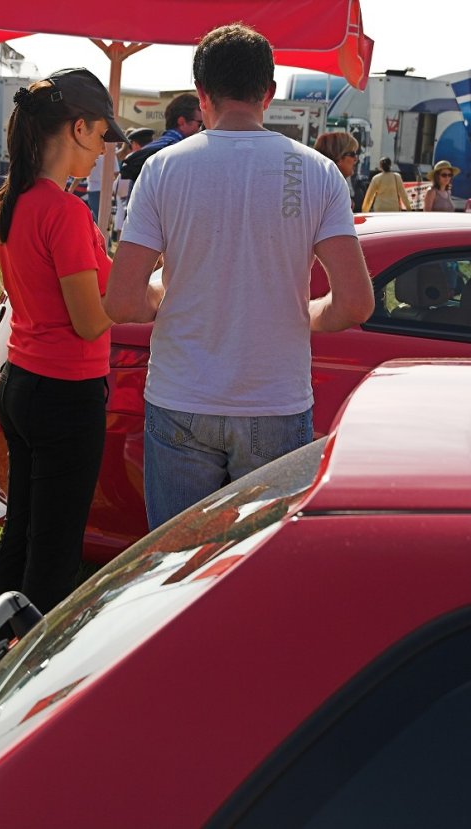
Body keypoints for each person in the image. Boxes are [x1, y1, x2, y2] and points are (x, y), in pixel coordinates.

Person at [104, 23, 374, 531]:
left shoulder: (162, 170)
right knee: (258, 574)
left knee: (176, 570)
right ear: (268, 93)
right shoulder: (317, 171)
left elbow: (121, 302)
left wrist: (162, 292)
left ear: (201, 94)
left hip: (181, 396)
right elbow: (355, 304)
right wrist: (306, 314)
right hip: (275, 397)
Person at [0, 68, 127, 614]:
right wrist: (151, 298)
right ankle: (28, 677)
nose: (101, 151)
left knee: (21, 528)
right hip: (66, 393)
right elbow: (90, 320)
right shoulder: (65, 211)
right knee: (55, 548)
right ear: (77, 128)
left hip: (21, 381)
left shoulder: (13, 200)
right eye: (99, 137)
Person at [119, 93, 202, 185]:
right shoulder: (180, 152)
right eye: (200, 123)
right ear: (182, 122)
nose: (201, 129)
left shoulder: (147, 151)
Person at [313, 131, 359, 208]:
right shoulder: (332, 193)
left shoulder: (318, 185)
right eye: (352, 154)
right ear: (338, 157)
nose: (356, 158)